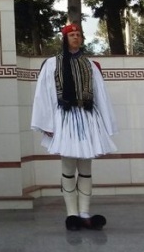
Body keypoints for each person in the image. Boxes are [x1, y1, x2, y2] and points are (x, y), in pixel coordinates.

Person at [31, 23, 118, 231]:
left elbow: (101, 96)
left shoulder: (91, 65)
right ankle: (71, 214)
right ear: (65, 38)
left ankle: (84, 212)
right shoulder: (52, 64)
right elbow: (43, 95)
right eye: (72, 35)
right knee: (68, 167)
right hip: (65, 119)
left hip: (87, 118)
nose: (76, 38)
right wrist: (46, 123)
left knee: (86, 168)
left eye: (79, 35)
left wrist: (106, 124)